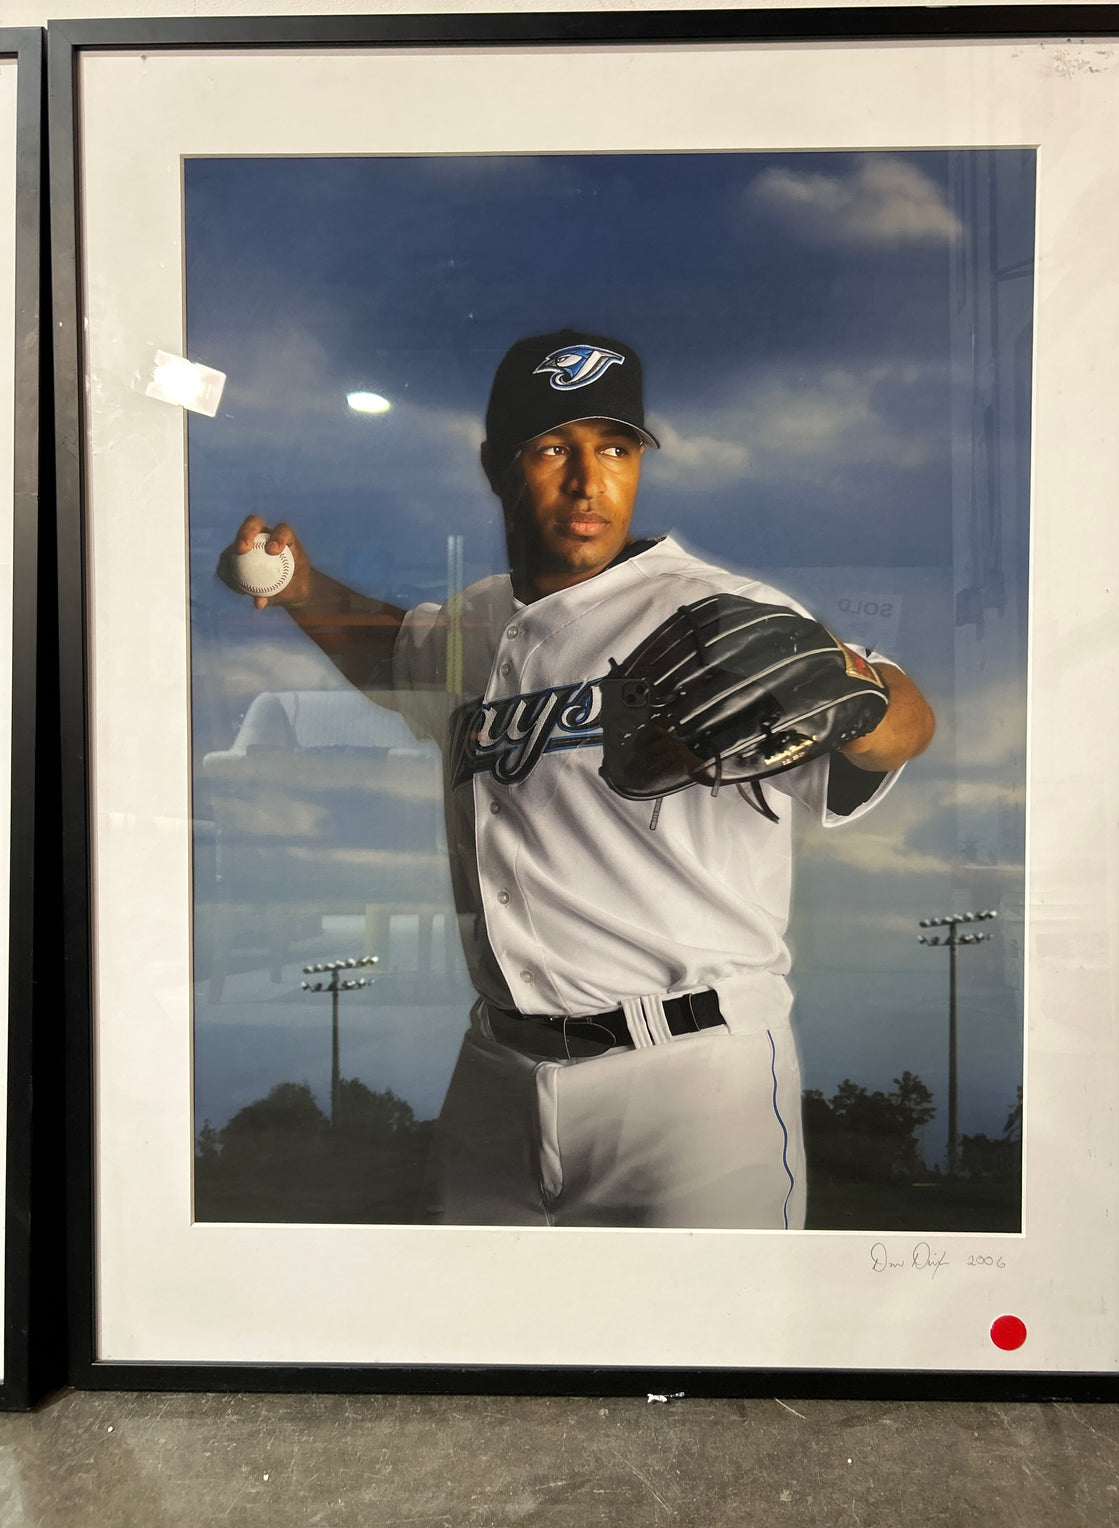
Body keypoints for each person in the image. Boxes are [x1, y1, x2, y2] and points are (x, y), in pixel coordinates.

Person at [219, 328, 935, 1230]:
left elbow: (896, 722)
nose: (588, 482)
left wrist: (873, 696)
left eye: (616, 449)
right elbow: (393, 649)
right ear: (496, 467)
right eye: (554, 448)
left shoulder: (717, 611)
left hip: (692, 1082)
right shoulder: (478, 621)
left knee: (710, 1361)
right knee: (479, 1357)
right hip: (496, 1077)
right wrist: (301, 587)